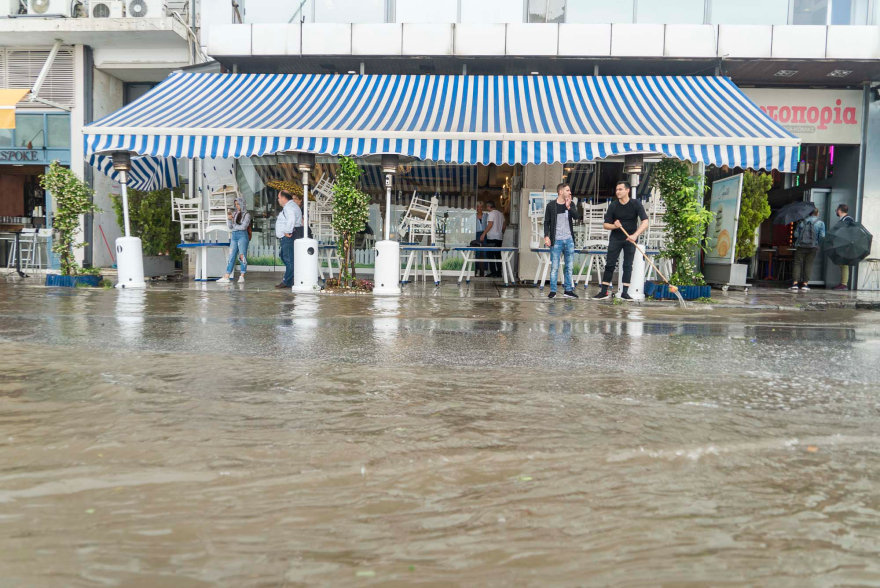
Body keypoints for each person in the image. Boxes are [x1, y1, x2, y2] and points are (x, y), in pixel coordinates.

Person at [594, 181, 649, 301]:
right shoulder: (613, 206)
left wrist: (635, 235)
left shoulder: (636, 204)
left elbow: (645, 222)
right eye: (617, 189)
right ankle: (604, 291)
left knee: (628, 265)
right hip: (616, 238)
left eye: (620, 189)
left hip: (631, 238)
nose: (617, 192)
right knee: (610, 264)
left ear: (627, 190)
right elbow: (605, 225)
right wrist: (615, 226)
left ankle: (625, 292)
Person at [543, 182, 581, 299]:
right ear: (561, 192)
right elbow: (546, 222)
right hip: (556, 240)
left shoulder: (571, 204)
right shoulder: (551, 206)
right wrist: (546, 236)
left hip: (569, 240)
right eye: (568, 190)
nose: (570, 192)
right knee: (555, 266)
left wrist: (569, 207)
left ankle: (568, 290)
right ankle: (553, 290)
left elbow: (577, 217)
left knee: (569, 267)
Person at [216, 196, 251, 284]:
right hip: (234, 236)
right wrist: (229, 220)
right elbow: (230, 227)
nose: (237, 206)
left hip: (242, 235)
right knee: (231, 255)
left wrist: (234, 226)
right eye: (236, 204)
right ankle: (227, 275)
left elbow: (243, 226)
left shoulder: (247, 214)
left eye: (238, 204)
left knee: (242, 255)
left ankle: (242, 275)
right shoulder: (235, 214)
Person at [791, 207, 825, 291]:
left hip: (801, 246)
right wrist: (818, 243)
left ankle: (795, 283)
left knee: (797, 263)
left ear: (809, 213)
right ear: (817, 214)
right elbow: (822, 236)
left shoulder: (802, 222)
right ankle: (805, 284)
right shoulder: (820, 223)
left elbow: (795, 235)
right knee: (808, 264)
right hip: (813, 247)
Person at [274, 190, 302, 289]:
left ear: (283, 198)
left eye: (279, 198)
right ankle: (291, 277)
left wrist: (288, 231)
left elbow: (291, 219)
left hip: (289, 236)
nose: (278, 200)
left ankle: (287, 281)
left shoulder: (289, 207)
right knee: (284, 256)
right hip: (288, 236)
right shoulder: (291, 206)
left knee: (289, 259)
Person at [832, 204, 855, 290]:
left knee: (844, 263)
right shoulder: (844, 219)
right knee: (841, 263)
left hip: (845, 244)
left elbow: (846, 232)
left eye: (836, 210)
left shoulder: (847, 219)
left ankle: (844, 284)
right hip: (842, 243)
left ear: (839, 210)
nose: (836, 212)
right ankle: (842, 283)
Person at [480, 200, 504, 277]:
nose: (486, 208)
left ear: (489, 206)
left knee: (490, 254)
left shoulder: (491, 214)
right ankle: (499, 272)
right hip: (499, 237)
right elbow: (504, 225)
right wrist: (501, 233)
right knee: (498, 255)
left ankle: (493, 272)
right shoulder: (501, 214)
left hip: (492, 237)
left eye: (487, 207)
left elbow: (490, 224)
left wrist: (484, 233)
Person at [474, 201, 486, 277]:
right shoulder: (473, 216)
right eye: (478, 207)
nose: (479, 208)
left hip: (485, 234)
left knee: (485, 252)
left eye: (481, 207)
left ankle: (485, 270)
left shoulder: (486, 216)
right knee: (477, 253)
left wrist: (484, 234)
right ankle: (477, 270)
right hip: (476, 234)